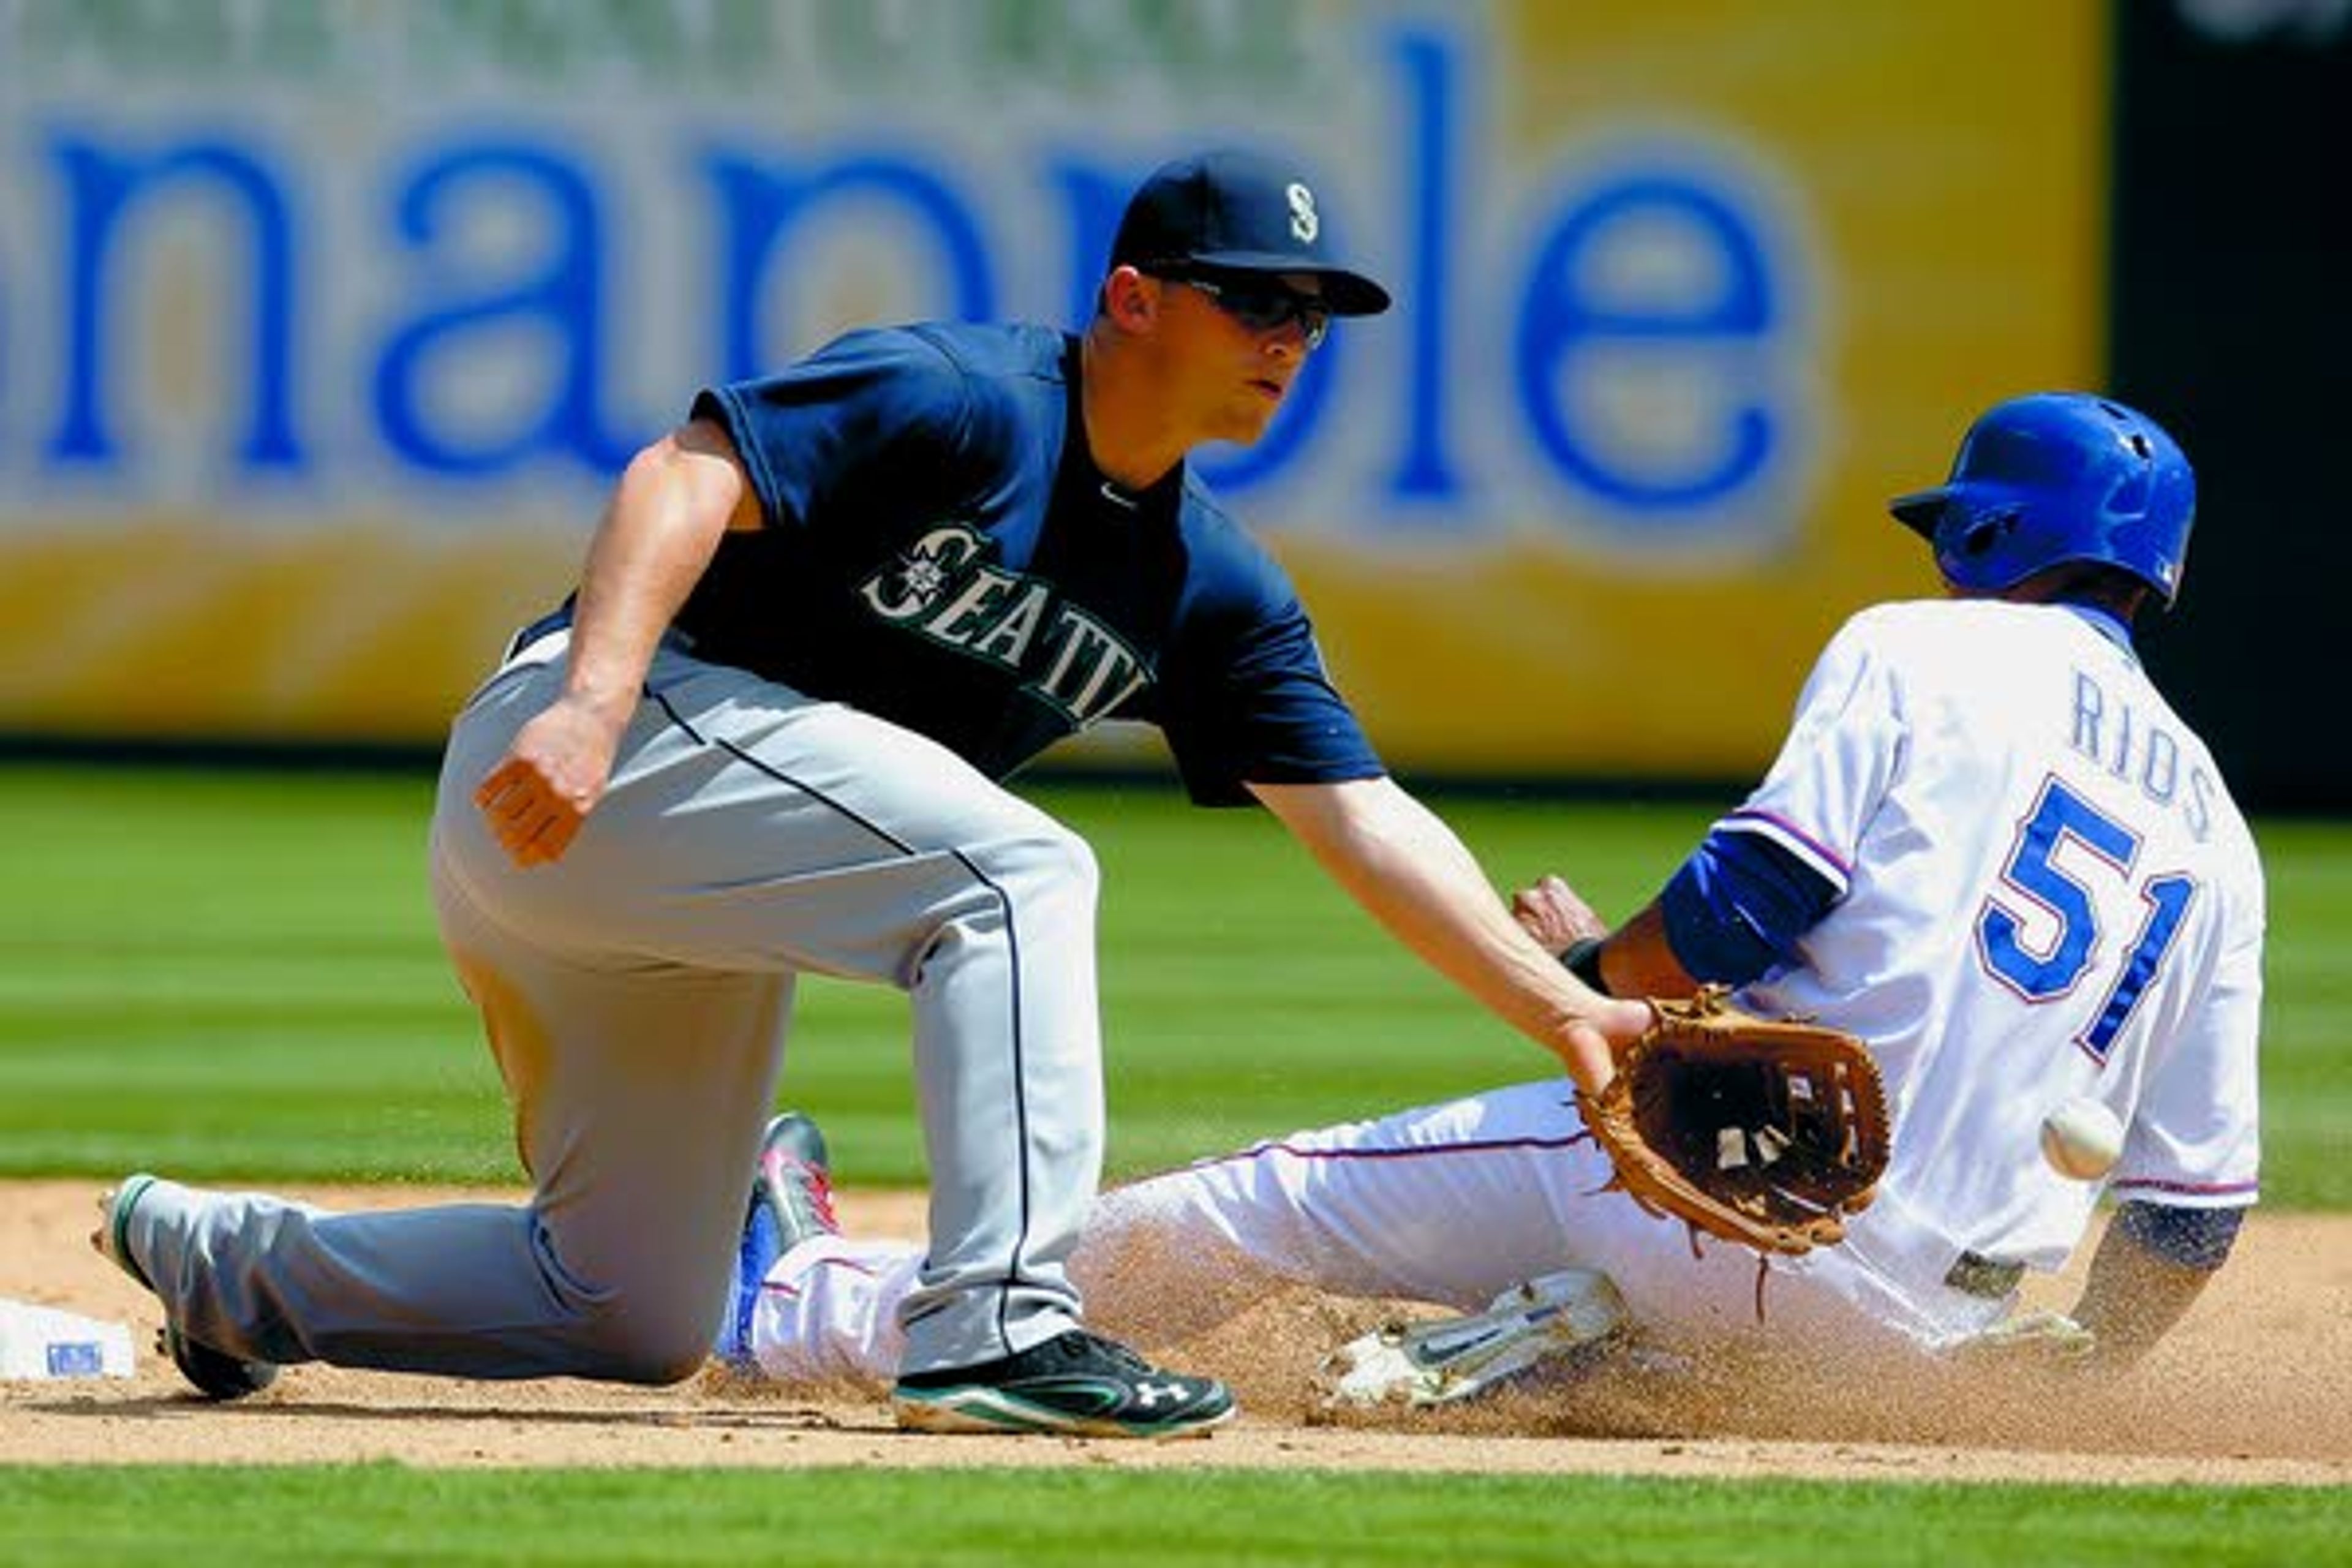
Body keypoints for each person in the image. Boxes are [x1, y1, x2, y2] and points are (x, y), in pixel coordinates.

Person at [89, 148, 1647, 1440]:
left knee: (633, 1309)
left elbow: (1363, 816)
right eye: (1254, 296)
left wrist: (1561, 1012)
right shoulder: (963, 397)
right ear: (1133, 297)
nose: (1288, 332)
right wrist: (589, 696)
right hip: (601, 752)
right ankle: (998, 1328)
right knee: (1020, 874)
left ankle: (226, 1266)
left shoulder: (1210, 588)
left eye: (1315, 311)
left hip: (685, 885)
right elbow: (684, 473)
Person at [717, 393, 2264, 1398]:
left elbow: (1750, 895)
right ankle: (1566, 1351)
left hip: (1715, 1216)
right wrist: (2057, 1380)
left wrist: (1590, 968)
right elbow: (2192, 1218)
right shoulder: (2217, 828)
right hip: (1934, 1344)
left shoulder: (1923, 648)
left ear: (1990, 531)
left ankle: (799, 1308)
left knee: (1258, 1206)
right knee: (1695, 1319)